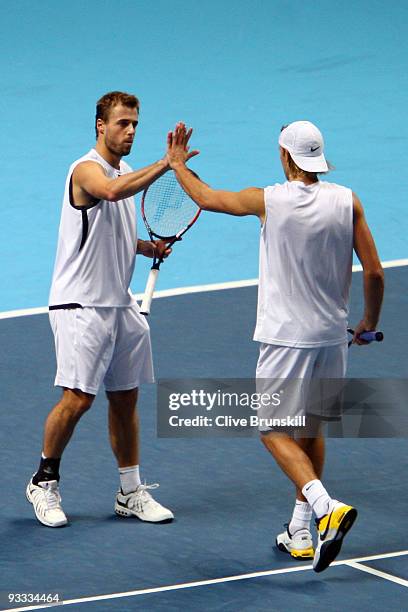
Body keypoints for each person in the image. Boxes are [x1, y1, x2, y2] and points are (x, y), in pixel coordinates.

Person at [166, 120, 384, 572]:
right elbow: (376, 273)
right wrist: (367, 322)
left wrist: (176, 165)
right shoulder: (348, 201)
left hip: (286, 338)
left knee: (271, 429)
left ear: (286, 157)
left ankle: (326, 508)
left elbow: (208, 199)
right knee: (311, 429)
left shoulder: (269, 200)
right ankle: (301, 531)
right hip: (332, 337)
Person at [26, 91, 196, 528]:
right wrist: (168, 163)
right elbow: (112, 192)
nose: (131, 131)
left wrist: (144, 247)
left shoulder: (121, 172)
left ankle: (130, 491)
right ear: (101, 125)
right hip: (80, 304)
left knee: (126, 398)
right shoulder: (86, 170)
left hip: (119, 303)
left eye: (135, 123)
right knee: (78, 399)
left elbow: (111, 227)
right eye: (123, 123)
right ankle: (43, 482)